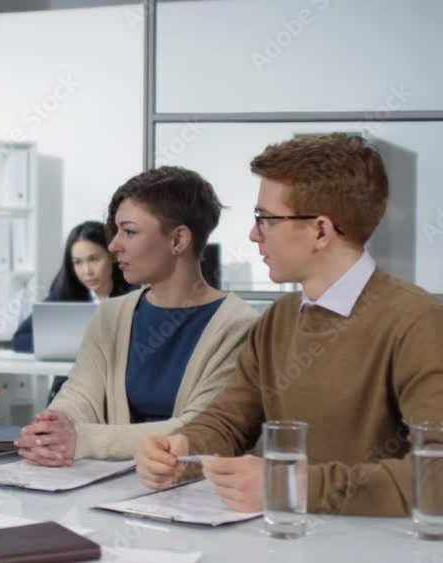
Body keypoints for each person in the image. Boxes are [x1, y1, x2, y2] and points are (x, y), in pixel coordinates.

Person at [135, 134, 443, 517]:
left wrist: (292, 486)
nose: (254, 234)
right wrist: (182, 447)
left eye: (265, 219)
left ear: (320, 231)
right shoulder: (278, 321)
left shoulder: (418, 323)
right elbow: (228, 422)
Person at [13, 166, 260, 465]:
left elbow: (202, 428)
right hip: (111, 490)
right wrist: (52, 428)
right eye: (117, 231)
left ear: (178, 240)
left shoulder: (240, 326)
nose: (114, 245)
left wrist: (82, 440)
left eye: (129, 232)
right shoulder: (111, 316)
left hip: (195, 495)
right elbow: (79, 395)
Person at [11, 220, 135, 352]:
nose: (87, 271)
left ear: (112, 256)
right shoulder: (63, 295)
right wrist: (66, 344)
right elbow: (20, 339)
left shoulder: (136, 295)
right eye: (77, 262)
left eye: (94, 259)